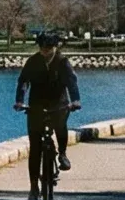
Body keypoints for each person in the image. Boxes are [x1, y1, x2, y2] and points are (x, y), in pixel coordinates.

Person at [14, 31, 82, 184]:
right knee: (35, 148)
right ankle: (33, 187)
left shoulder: (62, 61)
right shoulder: (33, 61)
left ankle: (62, 154)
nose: (45, 52)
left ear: (55, 47)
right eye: (43, 49)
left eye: (49, 49)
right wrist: (19, 101)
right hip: (36, 104)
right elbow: (23, 82)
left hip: (58, 103)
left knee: (60, 125)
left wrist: (76, 100)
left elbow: (72, 83)